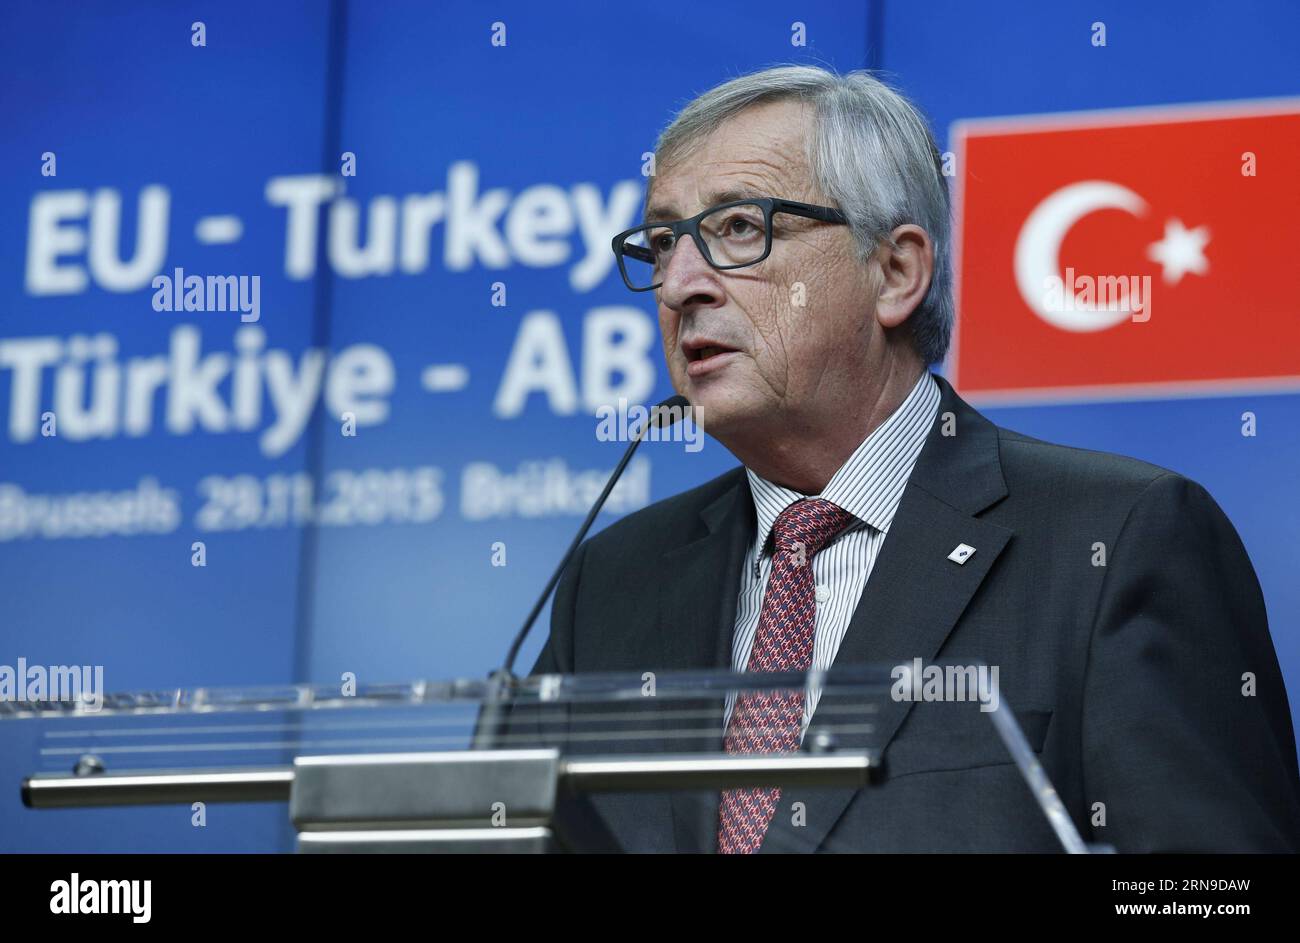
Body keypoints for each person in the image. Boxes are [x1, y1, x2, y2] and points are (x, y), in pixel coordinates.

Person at [530, 65, 1300, 853]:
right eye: (663, 244)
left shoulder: (1118, 540)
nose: (681, 284)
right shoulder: (613, 583)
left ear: (895, 272)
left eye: (737, 229)